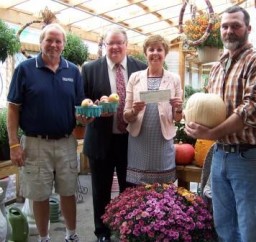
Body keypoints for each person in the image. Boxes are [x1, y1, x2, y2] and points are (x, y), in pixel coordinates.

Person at [185, 6, 256, 242]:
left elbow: (252, 109)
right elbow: (207, 104)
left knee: (249, 226)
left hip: (250, 157)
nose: (229, 31)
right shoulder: (217, 67)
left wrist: (212, 132)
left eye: (235, 25)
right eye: (225, 26)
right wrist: (191, 122)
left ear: (248, 28)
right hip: (221, 154)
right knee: (223, 223)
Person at [7, 23, 87, 242]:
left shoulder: (73, 71)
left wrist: (85, 117)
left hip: (66, 142)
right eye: (49, 40)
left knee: (68, 191)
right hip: (35, 143)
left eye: (58, 41)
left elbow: (80, 108)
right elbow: (13, 108)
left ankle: (72, 235)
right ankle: (44, 238)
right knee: (39, 195)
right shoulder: (24, 69)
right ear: (40, 42)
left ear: (64, 45)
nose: (53, 44)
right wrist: (14, 145)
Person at [81, 27, 147, 242]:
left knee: (130, 190)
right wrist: (93, 107)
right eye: (111, 43)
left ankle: (127, 229)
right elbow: (83, 102)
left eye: (119, 43)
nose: (115, 47)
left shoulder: (140, 68)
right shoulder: (90, 69)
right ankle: (102, 232)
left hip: (131, 140)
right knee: (100, 190)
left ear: (127, 45)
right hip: (101, 140)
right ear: (105, 46)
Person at [123, 34, 183, 186]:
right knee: (139, 189)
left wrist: (178, 108)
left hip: (162, 140)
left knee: (163, 188)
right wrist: (135, 111)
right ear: (146, 53)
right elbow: (126, 116)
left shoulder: (174, 79)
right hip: (139, 140)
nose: (155, 53)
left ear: (165, 53)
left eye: (159, 49)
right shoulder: (135, 78)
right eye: (151, 49)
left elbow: (177, 118)